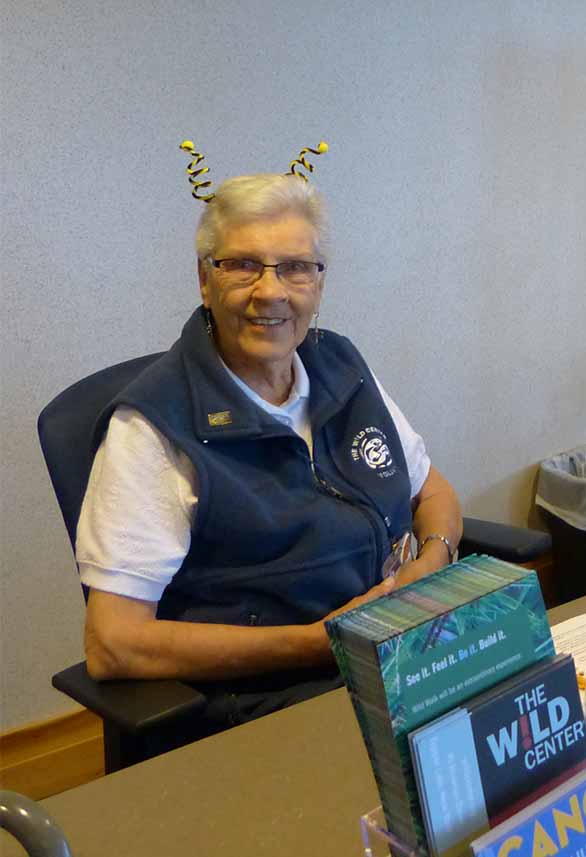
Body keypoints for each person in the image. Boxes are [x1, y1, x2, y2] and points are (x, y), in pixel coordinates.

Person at [75, 171, 463, 727]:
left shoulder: (342, 367)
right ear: (204, 282)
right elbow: (113, 643)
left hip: (401, 650)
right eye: (242, 265)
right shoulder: (153, 427)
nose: (272, 291)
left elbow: (432, 489)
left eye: (295, 268)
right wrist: (319, 642)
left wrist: (432, 562)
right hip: (277, 699)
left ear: (319, 284)